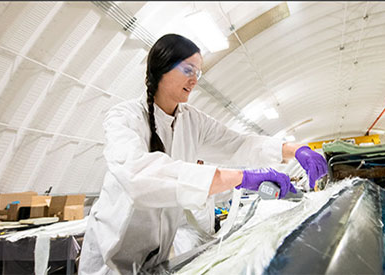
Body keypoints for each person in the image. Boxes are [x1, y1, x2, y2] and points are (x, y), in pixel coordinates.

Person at [78, 33, 328, 274]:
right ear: (161, 68)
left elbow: (238, 144)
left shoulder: (192, 121)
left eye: (198, 72)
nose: (195, 80)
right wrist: (243, 177)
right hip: (110, 257)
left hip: (155, 257)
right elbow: (138, 176)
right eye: (188, 70)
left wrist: (295, 150)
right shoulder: (124, 117)